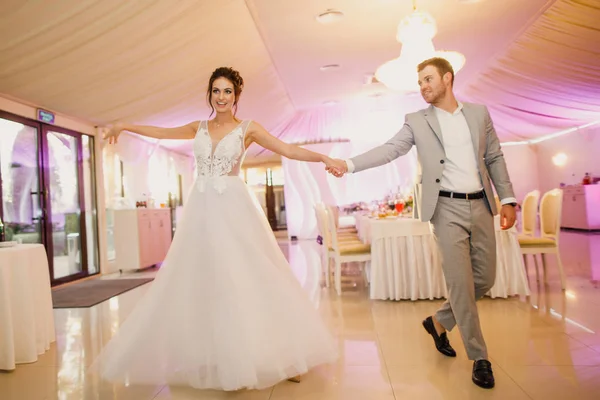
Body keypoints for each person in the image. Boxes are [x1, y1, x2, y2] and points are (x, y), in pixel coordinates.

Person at [90, 67, 338, 391]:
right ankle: (220, 354)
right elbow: (161, 132)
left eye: (227, 92)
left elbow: (288, 150)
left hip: (234, 210)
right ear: (210, 94)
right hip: (201, 213)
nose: (221, 97)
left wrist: (323, 157)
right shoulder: (199, 127)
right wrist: (124, 125)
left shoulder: (248, 129)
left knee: (251, 277)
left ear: (236, 97)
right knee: (207, 281)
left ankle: (283, 355)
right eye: (216, 91)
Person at [326, 57, 517, 389]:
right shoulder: (417, 121)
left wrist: (509, 198)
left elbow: (495, 157)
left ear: (447, 78)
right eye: (419, 82)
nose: (423, 86)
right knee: (460, 284)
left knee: (484, 280)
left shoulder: (479, 114)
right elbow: (389, 150)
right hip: (446, 210)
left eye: (428, 79)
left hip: (482, 205)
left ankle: (438, 322)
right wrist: (348, 164)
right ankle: (479, 357)